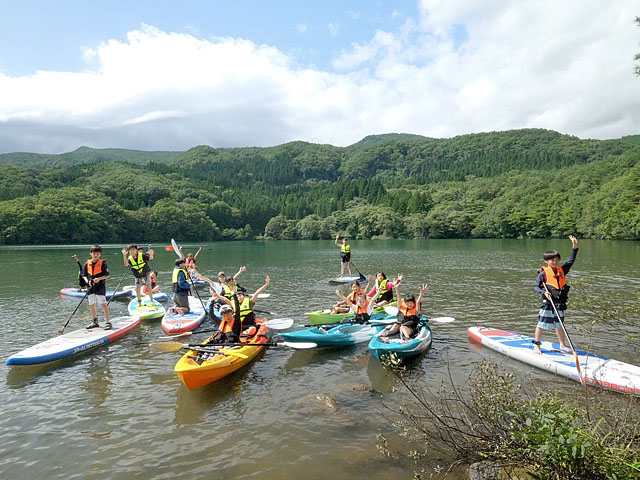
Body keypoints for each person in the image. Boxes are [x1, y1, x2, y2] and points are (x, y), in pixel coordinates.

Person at [532, 235, 579, 355]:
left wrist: (575, 247)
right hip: (548, 303)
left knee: (560, 325)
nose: (555, 262)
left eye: (557, 260)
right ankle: (536, 346)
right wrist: (544, 292)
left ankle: (562, 345)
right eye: (552, 260)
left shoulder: (562, 271)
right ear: (546, 261)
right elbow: (536, 287)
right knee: (541, 324)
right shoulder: (542, 274)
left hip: (560, 303)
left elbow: (571, 261)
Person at [82, 245, 112, 330]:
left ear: (100, 254)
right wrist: (87, 281)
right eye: (94, 253)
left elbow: (107, 275)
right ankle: (95, 322)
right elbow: (84, 275)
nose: (96, 255)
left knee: (103, 304)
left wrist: (99, 279)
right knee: (92, 304)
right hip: (91, 287)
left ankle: (108, 322)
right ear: (91, 253)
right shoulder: (87, 263)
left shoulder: (103, 263)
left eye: (98, 253)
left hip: (100, 287)